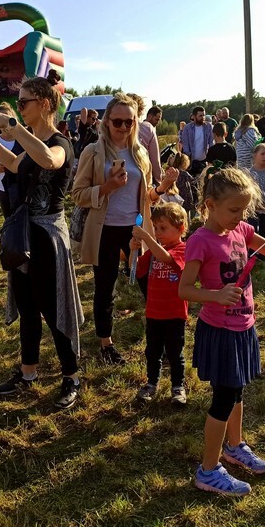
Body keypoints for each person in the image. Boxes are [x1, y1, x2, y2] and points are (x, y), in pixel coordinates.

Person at [178, 165, 265, 496]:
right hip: (220, 331)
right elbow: (184, 290)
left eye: (244, 210)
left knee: (237, 392)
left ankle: (234, 446)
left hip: (243, 325)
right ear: (210, 205)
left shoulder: (242, 231)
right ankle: (208, 470)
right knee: (223, 398)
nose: (240, 216)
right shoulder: (200, 241)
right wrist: (216, 295)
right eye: (234, 210)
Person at [0, 70, 84, 409]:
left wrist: (12, 125)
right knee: (27, 306)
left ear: (46, 103)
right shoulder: (30, 141)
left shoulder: (60, 143)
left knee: (53, 307)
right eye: (17, 104)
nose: (19, 108)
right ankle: (28, 371)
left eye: (24, 103)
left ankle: (71, 376)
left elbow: (49, 160)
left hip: (47, 237)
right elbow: (12, 164)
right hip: (24, 235)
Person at [72, 93, 176, 366]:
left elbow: (146, 196)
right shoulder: (93, 152)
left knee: (150, 285)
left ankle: (161, 341)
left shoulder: (139, 153)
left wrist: (162, 189)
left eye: (129, 122)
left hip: (136, 230)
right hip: (104, 230)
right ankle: (106, 344)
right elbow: (78, 194)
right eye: (117, 121)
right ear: (106, 121)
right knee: (105, 288)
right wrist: (108, 187)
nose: (123, 127)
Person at [131, 202, 189, 405]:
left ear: (180, 228)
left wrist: (147, 238)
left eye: (163, 228)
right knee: (152, 351)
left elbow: (167, 259)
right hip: (154, 312)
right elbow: (136, 269)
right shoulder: (154, 252)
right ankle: (151, 383)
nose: (157, 233)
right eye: (155, 228)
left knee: (175, 353)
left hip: (174, 314)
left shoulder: (183, 249)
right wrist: (133, 250)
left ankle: (178, 386)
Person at [0, 102, 23, 218]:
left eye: (6, 117)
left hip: (23, 186)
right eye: (0, 118)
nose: (4, 121)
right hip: (5, 189)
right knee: (9, 222)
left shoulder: (23, 138)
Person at [131, 94, 162, 184]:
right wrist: (158, 181)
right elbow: (155, 160)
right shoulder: (148, 129)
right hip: (143, 177)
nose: (158, 122)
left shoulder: (113, 128)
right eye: (157, 119)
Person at [181, 106, 214, 175]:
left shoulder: (208, 127)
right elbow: (186, 146)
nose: (203, 117)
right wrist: (188, 161)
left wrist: (211, 158)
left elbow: (211, 142)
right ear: (194, 116)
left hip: (204, 161)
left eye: (204, 115)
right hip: (191, 161)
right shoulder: (187, 128)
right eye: (200, 116)